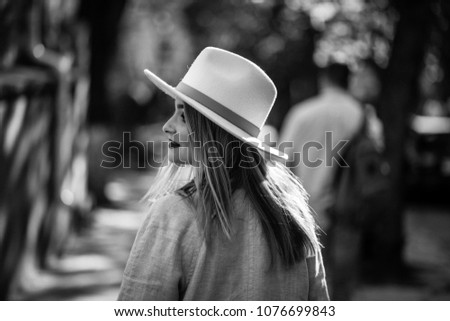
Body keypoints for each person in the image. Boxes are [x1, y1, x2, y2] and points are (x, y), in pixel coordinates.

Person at [118, 47, 329, 300]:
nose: (167, 126)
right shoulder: (295, 218)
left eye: (183, 117)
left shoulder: (174, 216)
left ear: (212, 132)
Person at [279, 62, 364, 299]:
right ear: (348, 81)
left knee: (309, 281)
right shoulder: (361, 115)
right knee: (344, 282)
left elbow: (282, 162)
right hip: (348, 208)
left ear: (324, 80)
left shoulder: (302, 113)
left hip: (306, 209)